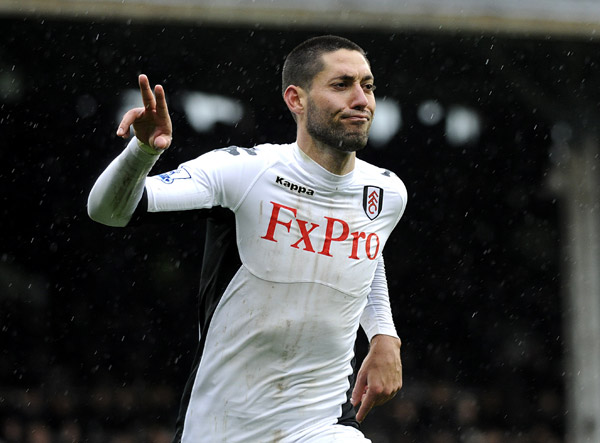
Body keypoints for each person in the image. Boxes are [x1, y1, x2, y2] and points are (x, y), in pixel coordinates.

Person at [88, 35, 407, 442]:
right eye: (341, 85)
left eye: (368, 85)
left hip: (320, 424)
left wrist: (384, 334)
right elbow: (108, 211)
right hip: (222, 427)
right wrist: (141, 153)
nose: (362, 99)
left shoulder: (386, 192)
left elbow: (365, 249)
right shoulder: (244, 172)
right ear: (297, 99)